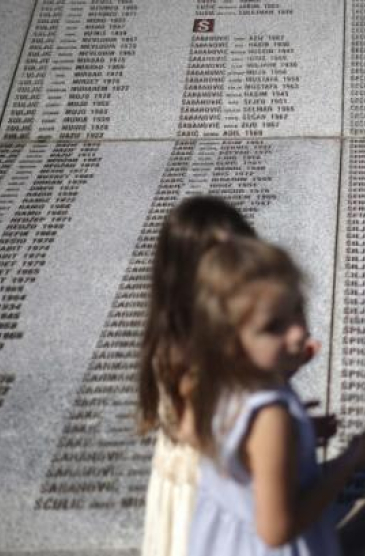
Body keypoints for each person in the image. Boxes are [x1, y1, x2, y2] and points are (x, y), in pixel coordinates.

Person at [187, 238, 365, 555]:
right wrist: (351, 461)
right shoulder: (271, 418)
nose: (298, 332)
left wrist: (302, 431)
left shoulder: (217, 385)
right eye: (273, 326)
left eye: (297, 310)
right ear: (229, 342)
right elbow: (278, 529)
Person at [137, 196, 256, 556]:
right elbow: (193, 430)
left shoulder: (189, 332)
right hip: (203, 483)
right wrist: (263, 433)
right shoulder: (184, 352)